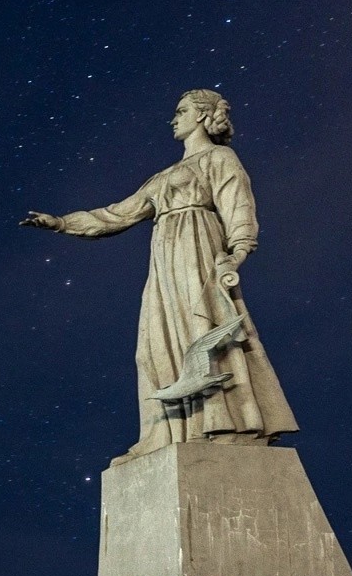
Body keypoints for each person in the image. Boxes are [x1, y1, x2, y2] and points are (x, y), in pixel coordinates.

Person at [21, 89, 299, 460]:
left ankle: (226, 424)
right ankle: (163, 433)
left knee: (205, 335)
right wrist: (60, 223)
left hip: (199, 251)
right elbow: (115, 215)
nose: (174, 118)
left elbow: (238, 205)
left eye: (181, 111)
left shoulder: (219, 158)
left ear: (202, 116)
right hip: (165, 261)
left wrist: (237, 253)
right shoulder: (161, 177)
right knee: (153, 345)